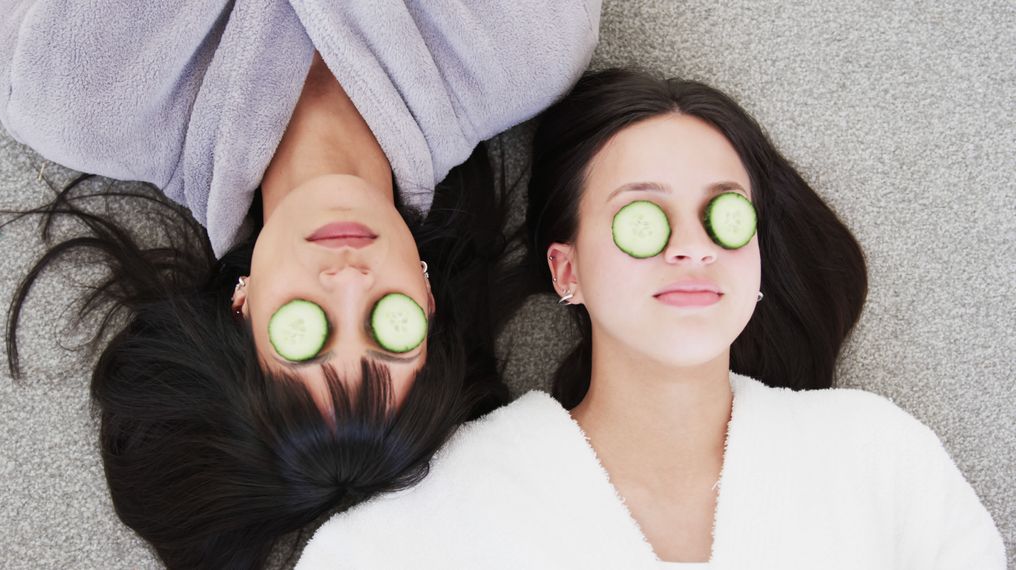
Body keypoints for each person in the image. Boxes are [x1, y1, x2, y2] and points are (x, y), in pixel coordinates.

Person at [0, 2, 600, 568]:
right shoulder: (527, 45)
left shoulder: (67, 95)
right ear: (426, 298)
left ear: (242, 308)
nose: (347, 282)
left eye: (304, 332)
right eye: (388, 326)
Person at [293, 69, 1006, 569]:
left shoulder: (877, 456)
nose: (693, 245)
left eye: (724, 215)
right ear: (566, 270)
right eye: (643, 217)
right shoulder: (444, 505)